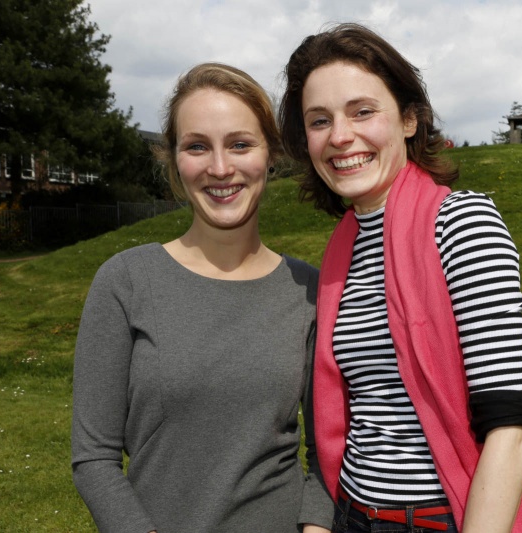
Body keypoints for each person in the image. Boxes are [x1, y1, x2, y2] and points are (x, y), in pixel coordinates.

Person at [279, 24, 522, 533]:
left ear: (410, 120)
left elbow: (510, 430)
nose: (339, 136)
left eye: (362, 111)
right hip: (349, 515)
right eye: (319, 120)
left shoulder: (460, 222)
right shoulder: (342, 249)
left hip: (440, 520)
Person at [71, 63, 333, 533]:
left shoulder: (310, 291)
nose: (219, 168)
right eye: (197, 146)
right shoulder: (125, 281)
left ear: (270, 154)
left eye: (239, 144)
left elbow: (330, 451)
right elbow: (94, 458)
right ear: (173, 160)